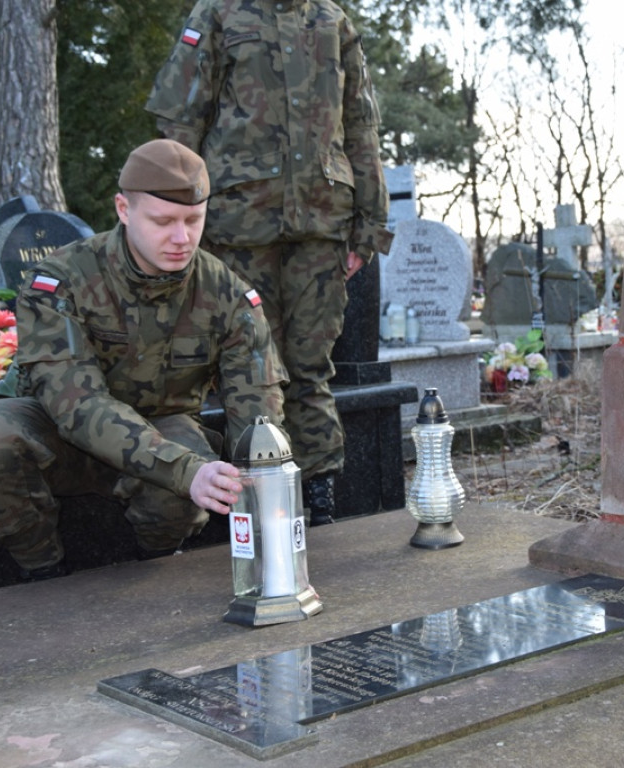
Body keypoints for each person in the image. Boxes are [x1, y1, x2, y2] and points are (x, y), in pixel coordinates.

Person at [0, 139, 288, 580]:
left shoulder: (230, 296)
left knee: (194, 468)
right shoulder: (61, 281)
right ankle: (41, 574)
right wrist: (184, 470)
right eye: (163, 221)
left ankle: (155, 565)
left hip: (164, 427)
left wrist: (268, 522)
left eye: (193, 220)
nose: (181, 238)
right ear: (124, 209)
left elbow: (258, 420)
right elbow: (76, 407)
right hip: (59, 436)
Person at [144, 0, 393, 526]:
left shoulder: (332, 21)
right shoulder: (217, 14)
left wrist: (369, 226)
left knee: (310, 367)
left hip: (323, 223)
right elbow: (179, 122)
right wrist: (178, 219)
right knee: (251, 367)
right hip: (237, 225)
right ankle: (261, 496)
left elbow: (361, 124)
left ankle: (320, 495)